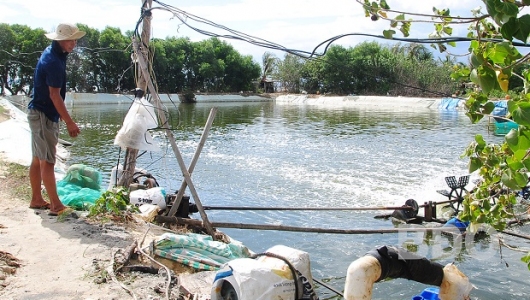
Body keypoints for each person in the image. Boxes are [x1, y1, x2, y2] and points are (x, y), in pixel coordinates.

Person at [27, 23, 85, 216]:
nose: (74, 43)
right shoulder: (53, 61)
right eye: (70, 40)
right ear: (60, 40)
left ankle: (36, 199)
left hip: (40, 112)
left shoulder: (55, 54)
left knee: (37, 159)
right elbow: (54, 95)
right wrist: (69, 122)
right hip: (43, 114)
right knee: (47, 161)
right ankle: (55, 205)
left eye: (75, 39)